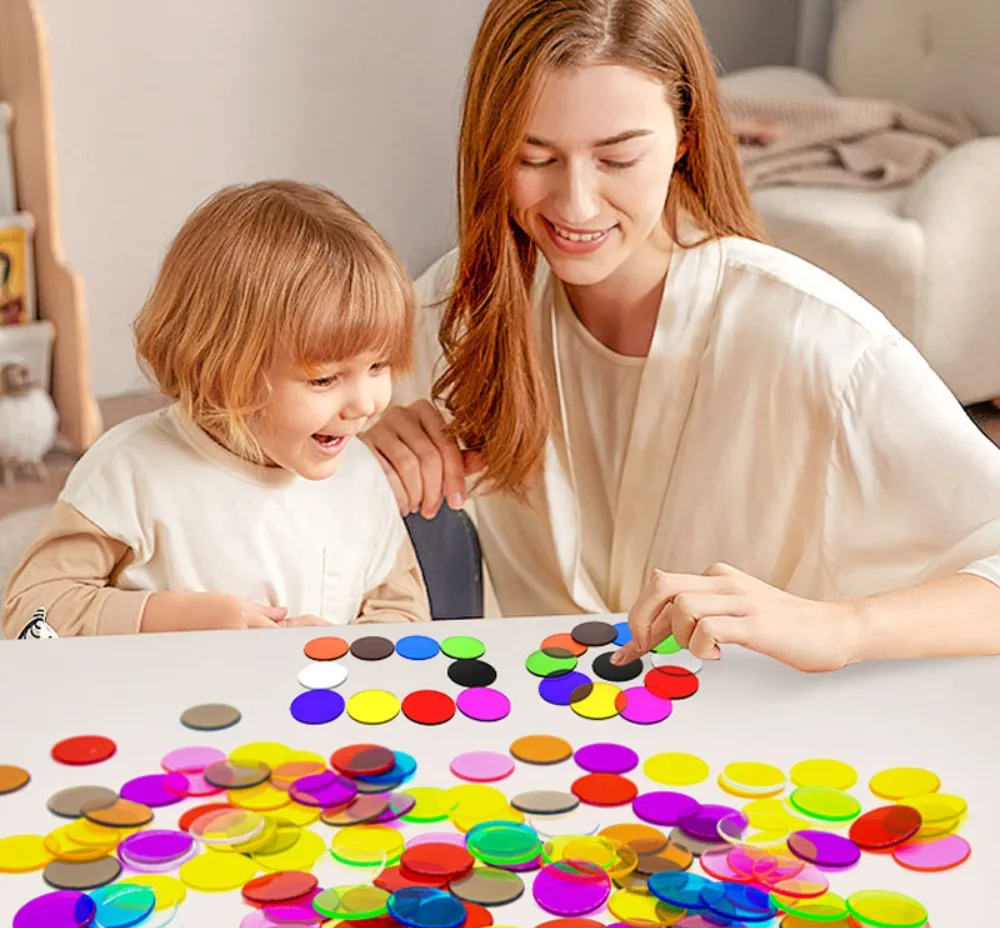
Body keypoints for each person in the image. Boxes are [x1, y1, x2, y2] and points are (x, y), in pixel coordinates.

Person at [363, 0, 1000, 672]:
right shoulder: (454, 309)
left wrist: (840, 627)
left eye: (618, 158)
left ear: (686, 134)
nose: (576, 203)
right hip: (529, 716)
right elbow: (292, 472)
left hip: (751, 725)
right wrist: (355, 453)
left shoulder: (813, 341)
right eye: (535, 156)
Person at [2, 181, 429, 637]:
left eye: (379, 366)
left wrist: (344, 644)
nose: (365, 405)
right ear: (222, 370)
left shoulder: (360, 475)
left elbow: (404, 613)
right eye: (323, 380)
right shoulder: (130, 471)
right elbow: (29, 613)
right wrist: (169, 618)